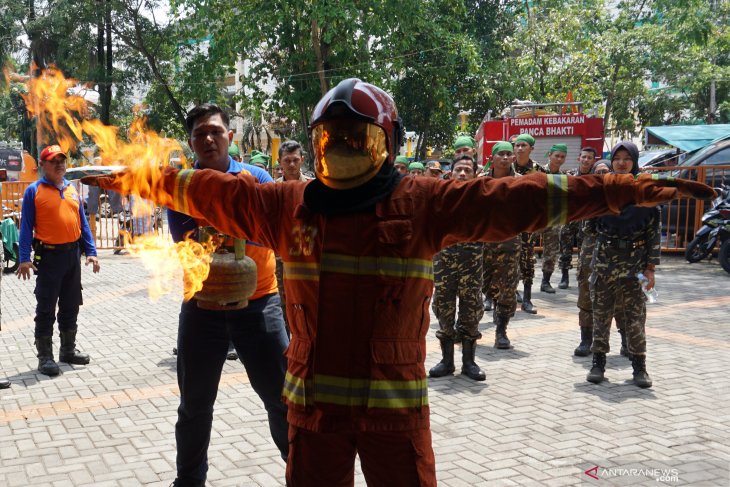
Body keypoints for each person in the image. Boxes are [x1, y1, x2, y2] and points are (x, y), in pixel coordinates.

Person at [85, 79, 711, 486]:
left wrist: (622, 188)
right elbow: (194, 187)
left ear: (388, 143)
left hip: (391, 416)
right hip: (317, 416)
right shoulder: (286, 204)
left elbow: (517, 197)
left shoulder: (424, 202)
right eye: (333, 140)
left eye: (357, 140)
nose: (344, 151)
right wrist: (123, 175)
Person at [167, 104, 290, 486]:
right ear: (191, 142)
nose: (208, 138)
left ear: (230, 137)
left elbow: (273, 228)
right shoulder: (182, 186)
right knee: (194, 407)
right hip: (202, 307)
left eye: (215, 132)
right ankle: (189, 482)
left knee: (282, 401)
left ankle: (304, 472)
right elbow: (185, 242)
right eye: (200, 133)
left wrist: (227, 222)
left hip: (260, 305)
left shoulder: (258, 178)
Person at [17, 144, 100, 376]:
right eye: (53, 160)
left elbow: (82, 225)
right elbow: (25, 228)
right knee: (46, 307)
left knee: (71, 304)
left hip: (73, 255)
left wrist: (91, 252)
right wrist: (24, 258)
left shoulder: (72, 189)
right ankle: (45, 357)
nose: (59, 164)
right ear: (43, 165)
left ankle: (68, 350)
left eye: (62, 160)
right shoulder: (34, 191)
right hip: (50, 257)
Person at [587, 141, 660, 388]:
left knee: (636, 318)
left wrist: (650, 269)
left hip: (635, 267)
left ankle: (639, 368)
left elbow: (653, 234)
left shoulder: (645, 194)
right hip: (604, 265)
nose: (621, 162)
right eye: (617, 158)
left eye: (626, 159)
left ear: (634, 162)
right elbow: (590, 227)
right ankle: (598, 364)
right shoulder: (602, 192)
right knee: (601, 316)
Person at [429, 154, 485, 381]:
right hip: (444, 263)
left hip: (472, 263)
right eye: (458, 170)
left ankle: (469, 362)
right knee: (444, 308)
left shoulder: (481, 198)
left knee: (471, 310)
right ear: (450, 173)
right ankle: (447, 361)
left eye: (467, 170)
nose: (462, 173)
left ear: (474, 174)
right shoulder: (439, 198)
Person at [482, 143, 522, 349]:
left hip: (509, 243)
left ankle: (501, 330)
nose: (505, 158)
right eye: (501, 154)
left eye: (509, 154)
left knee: (507, 287)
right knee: (482, 284)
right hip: (483, 244)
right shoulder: (481, 182)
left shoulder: (520, 184)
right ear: (492, 157)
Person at [512, 133, 546, 313]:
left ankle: (527, 298)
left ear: (531, 148)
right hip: (508, 224)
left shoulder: (539, 171)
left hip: (529, 225)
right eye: (517, 145)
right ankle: (500, 295)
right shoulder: (506, 167)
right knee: (503, 259)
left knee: (527, 260)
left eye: (523, 145)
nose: (519, 149)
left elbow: (545, 198)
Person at [558, 147, 597, 289]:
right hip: (570, 215)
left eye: (589, 158)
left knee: (584, 247)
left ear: (593, 160)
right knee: (565, 244)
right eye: (584, 157)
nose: (586, 160)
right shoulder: (569, 175)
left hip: (587, 217)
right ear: (578, 158)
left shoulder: (596, 176)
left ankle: (582, 276)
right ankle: (564, 276)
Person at [539, 144, 568, 294]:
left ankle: (546, 281)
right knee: (523, 250)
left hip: (553, 218)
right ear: (549, 155)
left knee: (551, 250)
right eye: (556, 155)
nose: (559, 159)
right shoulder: (539, 172)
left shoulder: (564, 176)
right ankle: (520, 285)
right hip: (536, 217)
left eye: (562, 156)